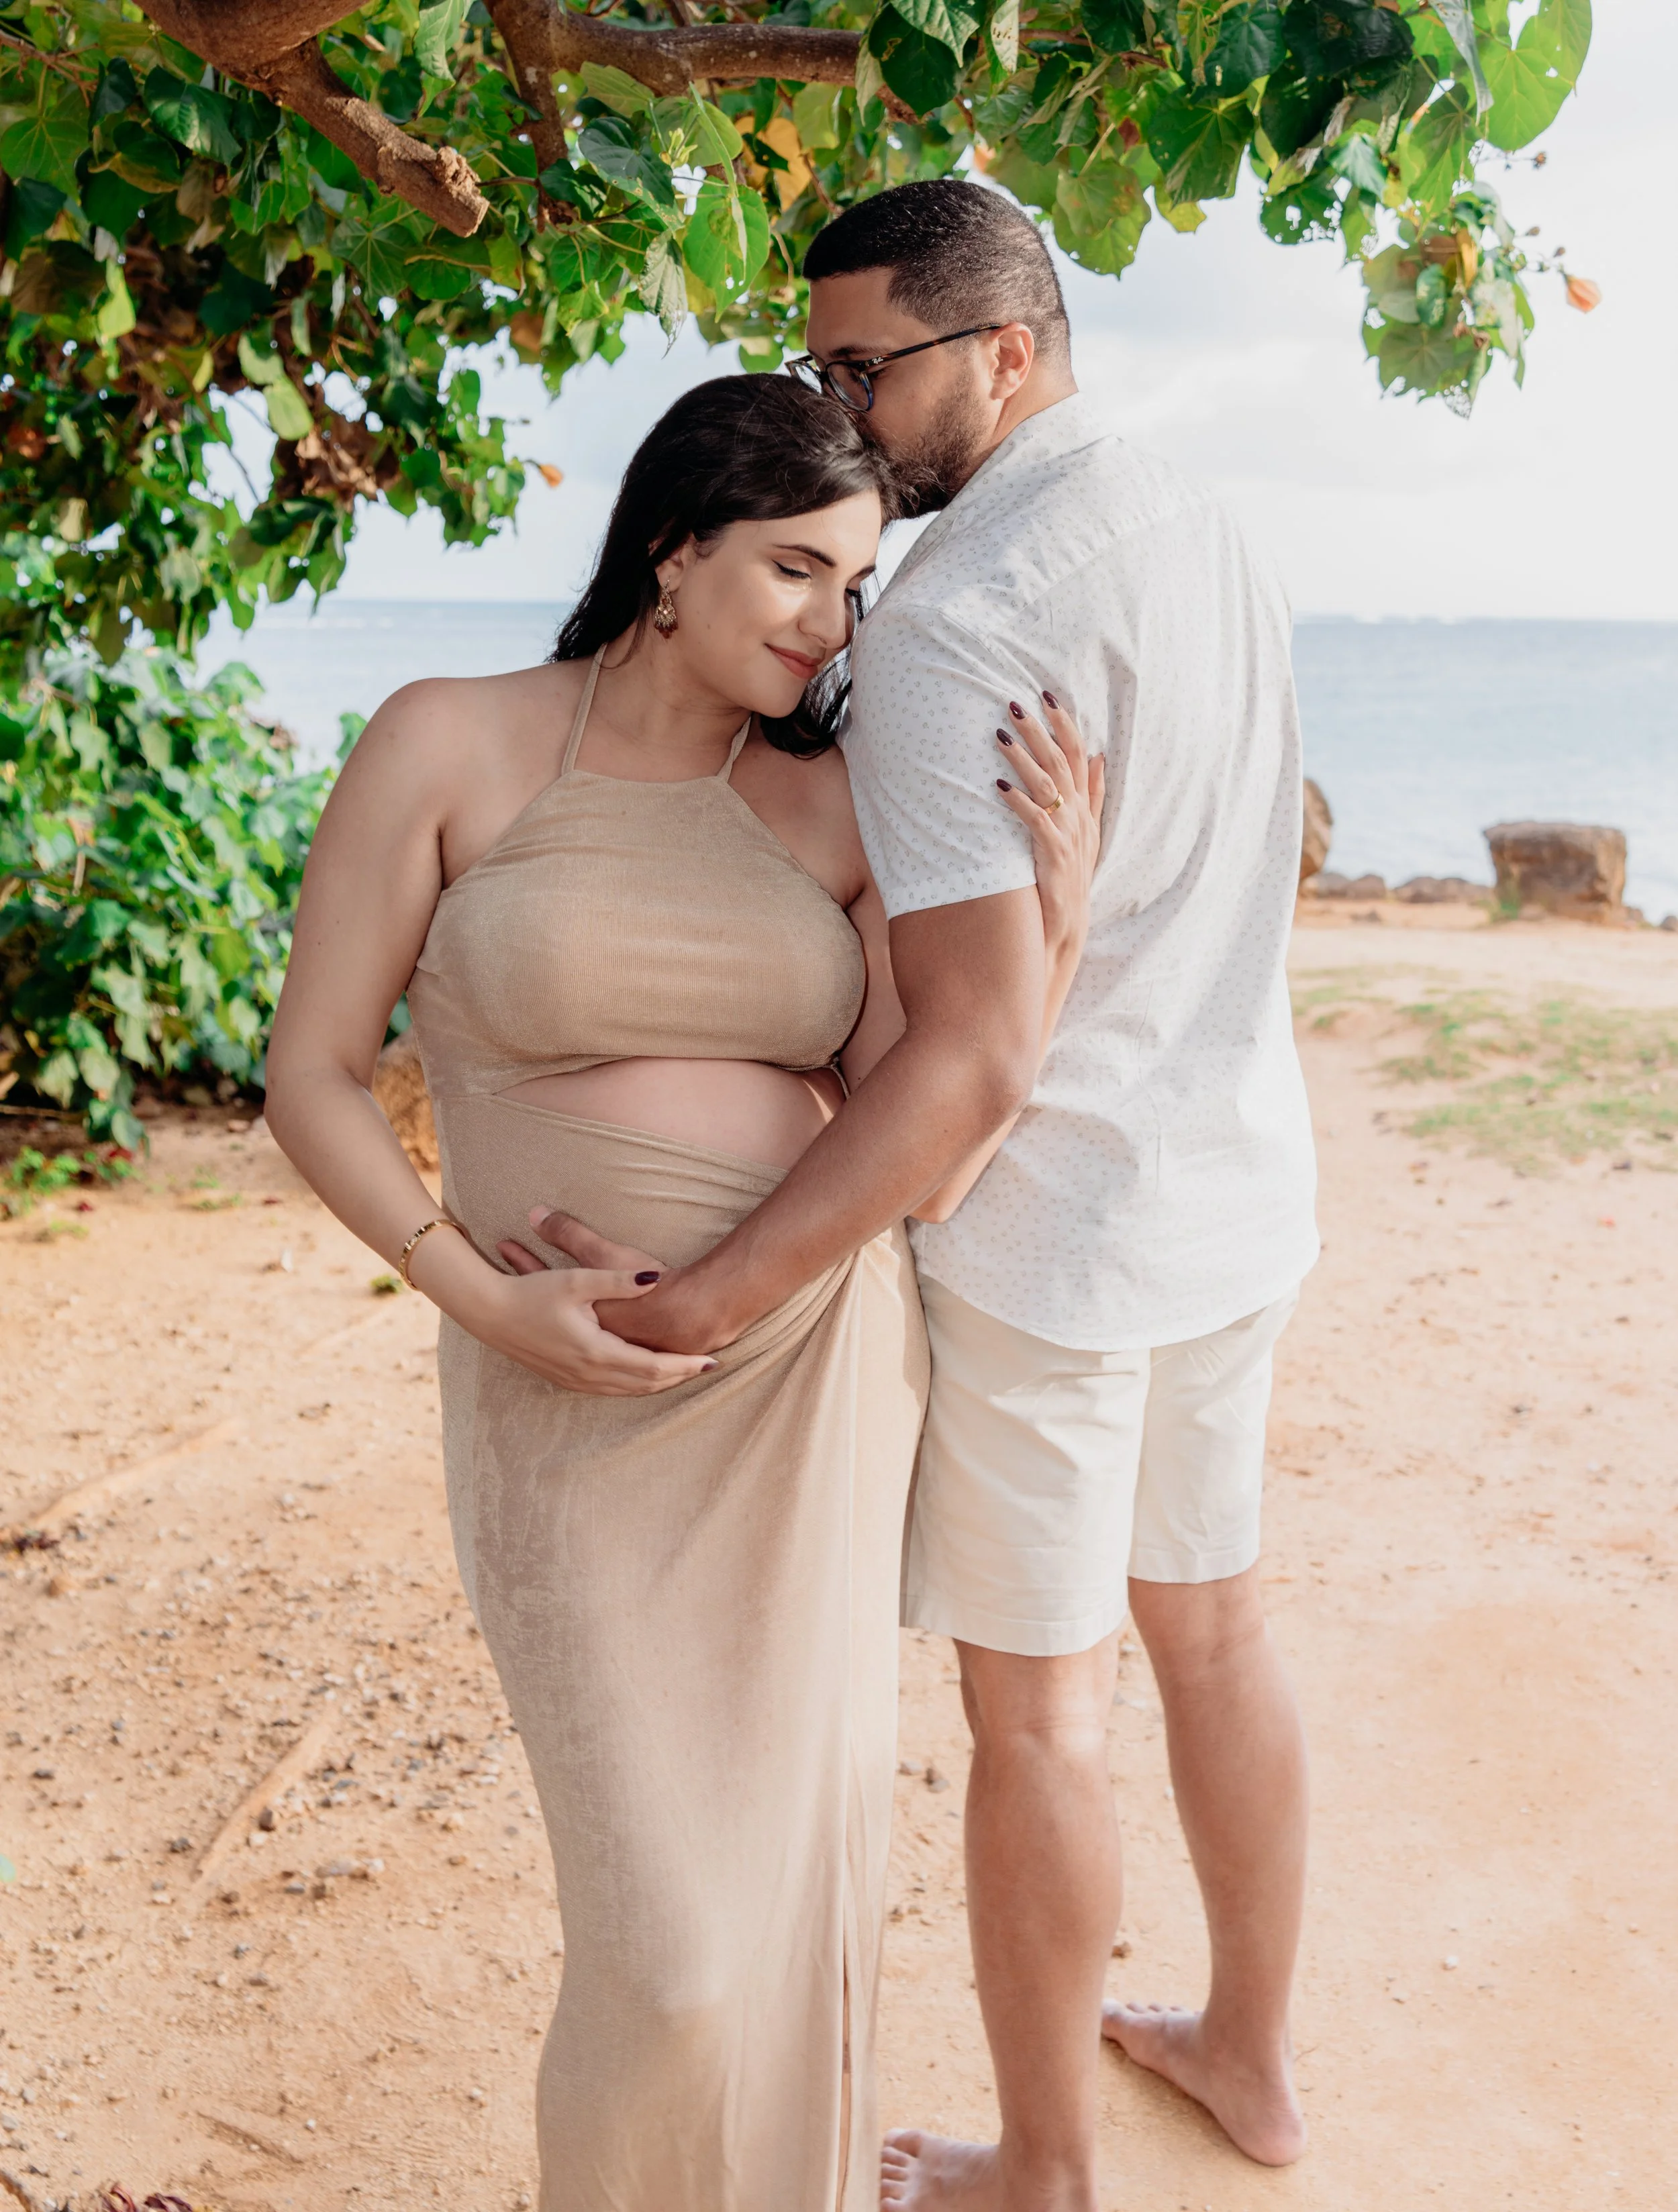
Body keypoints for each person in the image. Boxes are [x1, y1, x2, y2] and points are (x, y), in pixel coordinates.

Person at [261, 372, 1102, 2212]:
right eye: (796, 568)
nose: (831, 622)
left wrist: (1055, 916)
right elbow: (312, 1072)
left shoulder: (836, 808)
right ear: (670, 547)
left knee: (779, 1901)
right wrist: (473, 1300)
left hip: (804, 1377)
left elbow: (935, 1138)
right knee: (670, 1951)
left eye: (859, 586)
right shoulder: (448, 743)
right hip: (561, 1390)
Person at [561, 181, 1320, 2210]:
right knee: (1218, 1633)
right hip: (1235, 1184)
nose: (841, 404)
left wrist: (715, 1294)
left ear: (1004, 349)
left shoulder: (963, 614)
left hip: (1054, 1239)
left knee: (1037, 1723)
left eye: (865, 364)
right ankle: (1246, 2052)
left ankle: (1044, 2172)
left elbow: (973, 1048)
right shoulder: (1199, 513)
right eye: (822, 362)